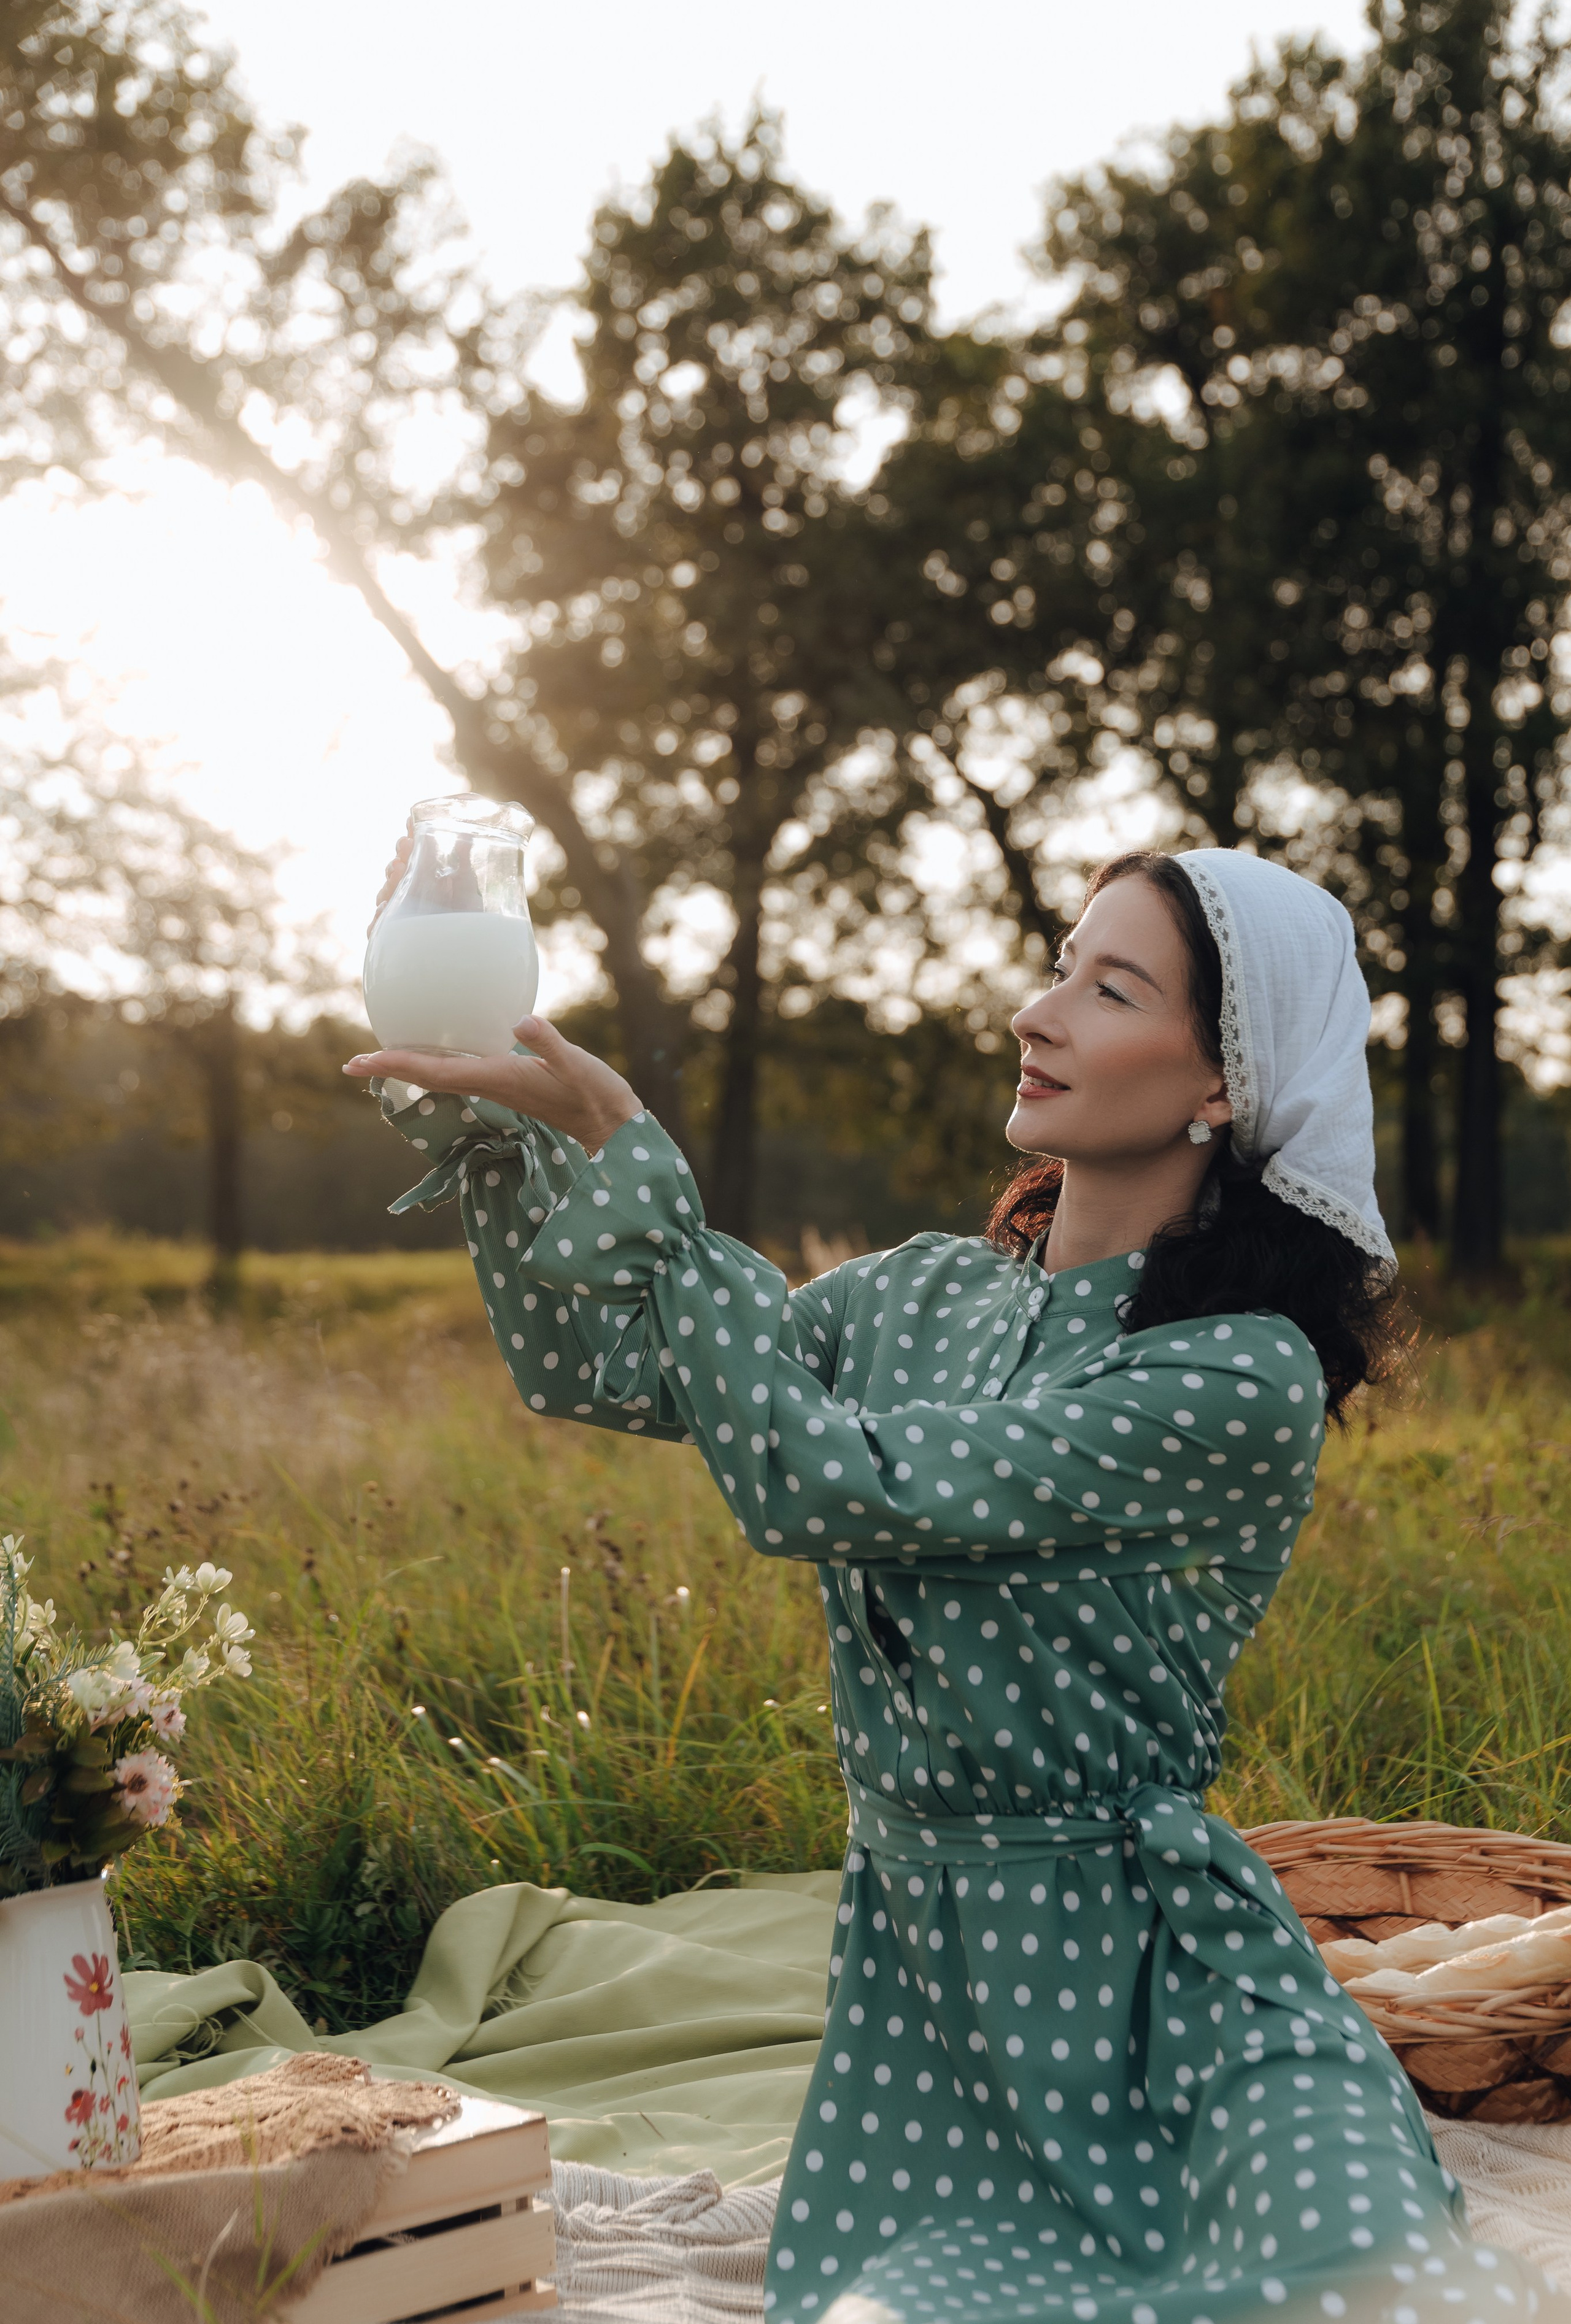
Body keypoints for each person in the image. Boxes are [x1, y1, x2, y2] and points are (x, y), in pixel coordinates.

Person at [345, 844, 1565, 2324]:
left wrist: (632, 1156)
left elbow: (826, 1481)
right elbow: (595, 1364)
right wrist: (504, 1140)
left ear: (1220, 1085)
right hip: (936, 2013)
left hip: (1165, 1997)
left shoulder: (1235, 1370)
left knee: (1354, 2292)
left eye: (1106, 988)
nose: (1035, 1013)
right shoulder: (917, 1291)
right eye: (1056, 964)